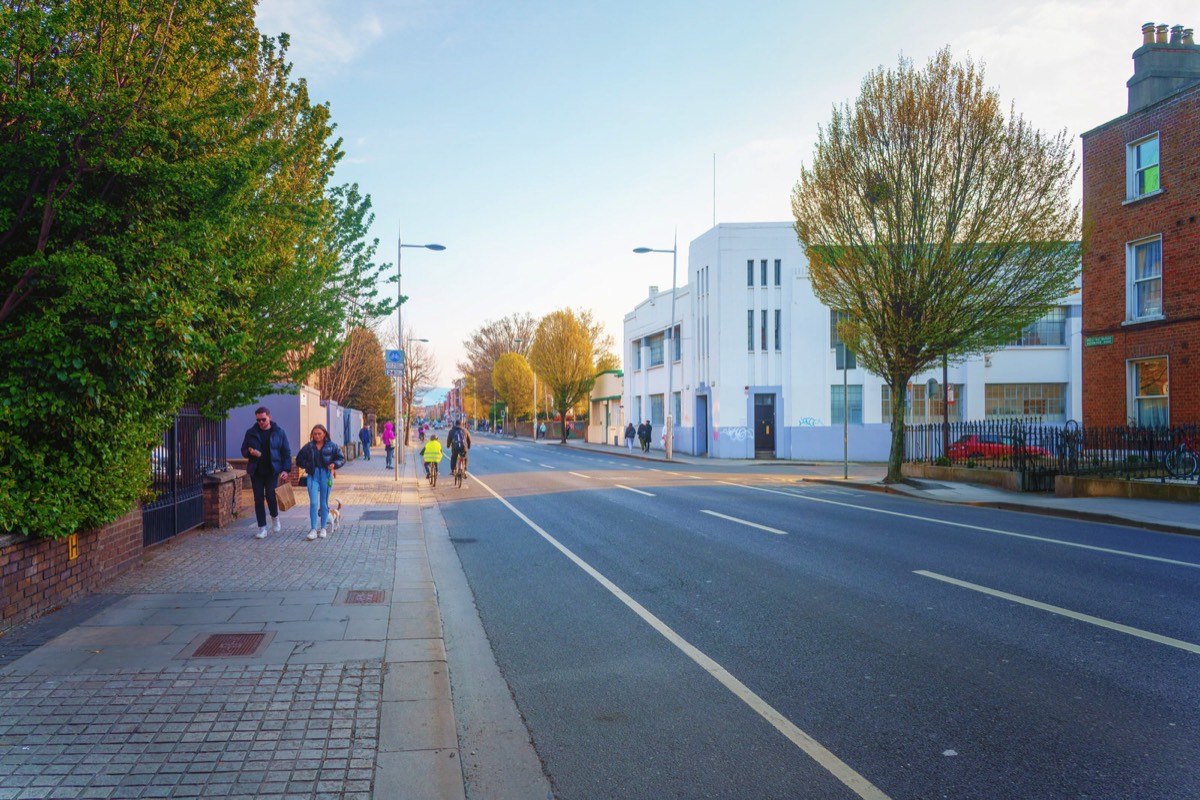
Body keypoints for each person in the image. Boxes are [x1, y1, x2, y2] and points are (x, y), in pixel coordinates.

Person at [240, 407, 291, 539]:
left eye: (263, 419)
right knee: (258, 499)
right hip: (256, 471)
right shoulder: (251, 432)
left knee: (271, 496)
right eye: (258, 420)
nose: (261, 422)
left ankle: (275, 518)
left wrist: (286, 469)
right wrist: (249, 452)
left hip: (272, 470)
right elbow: (243, 450)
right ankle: (262, 528)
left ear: (269, 417)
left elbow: (286, 452)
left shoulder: (279, 432)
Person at [294, 424, 345, 541]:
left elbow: (341, 458)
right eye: (315, 434)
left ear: (324, 434)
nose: (317, 436)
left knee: (323, 502)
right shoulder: (309, 447)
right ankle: (313, 529)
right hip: (313, 475)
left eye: (319, 434)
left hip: (326, 475)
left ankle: (323, 528)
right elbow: (298, 460)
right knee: (313, 502)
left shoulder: (332, 446)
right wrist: (307, 465)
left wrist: (334, 464)